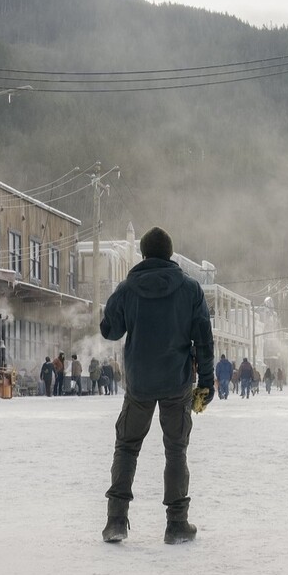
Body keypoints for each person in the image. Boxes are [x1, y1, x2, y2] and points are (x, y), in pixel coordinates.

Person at [99, 226, 214, 545]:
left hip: (139, 383)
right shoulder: (190, 289)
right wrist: (206, 383)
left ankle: (116, 521)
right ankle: (177, 524)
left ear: (144, 254)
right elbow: (203, 340)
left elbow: (110, 330)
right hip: (177, 381)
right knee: (176, 450)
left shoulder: (127, 288)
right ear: (170, 254)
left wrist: (113, 310)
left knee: (126, 446)